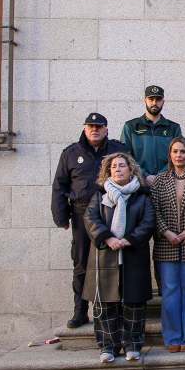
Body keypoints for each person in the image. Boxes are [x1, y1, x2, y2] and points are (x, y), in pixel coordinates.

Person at [52, 112, 129, 329]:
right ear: (85, 129)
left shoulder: (117, 150)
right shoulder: (71, 153)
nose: (94, 130)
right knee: (81, 263)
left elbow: (131, 176)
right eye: (90, 126)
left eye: (99, 126)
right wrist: (61, 217)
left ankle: (110, 310)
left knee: (111, 263)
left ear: (106, 129)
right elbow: (60, 186)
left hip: (111, 214)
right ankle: (80, 311)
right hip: (80, 215)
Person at [82, 152, 155, 364]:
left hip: (132, 255)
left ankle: (133, 345)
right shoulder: (99, 195)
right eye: (113, 167)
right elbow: (90, 218)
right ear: (108, 171)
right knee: (105, 305)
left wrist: (130, 239)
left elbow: (148, 222)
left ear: (131, 169)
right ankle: (108, 346)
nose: (117, 169)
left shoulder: (142, 196)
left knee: (134, 304)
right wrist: (107, 237)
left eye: (122, 166)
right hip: (105, 256)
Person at [150, 138, 185, 352]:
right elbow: (153, 209)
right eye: (175, 151)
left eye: (183, 151)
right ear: (170, 154)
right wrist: (166, 232)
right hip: (167, 244)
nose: (179, 155)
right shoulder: (160, 180)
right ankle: (173, 337)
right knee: (170, 291)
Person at [121, 85, 183, 186]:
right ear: (145, 100)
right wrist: (144, 175)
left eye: (158, 99)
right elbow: (125, 156)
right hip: (138, 184)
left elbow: (178, 156)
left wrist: (161, 176)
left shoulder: (173, 128)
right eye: (151, 99)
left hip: (167, 184)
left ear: (163, 102)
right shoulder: (131, 126)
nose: (154, 103)